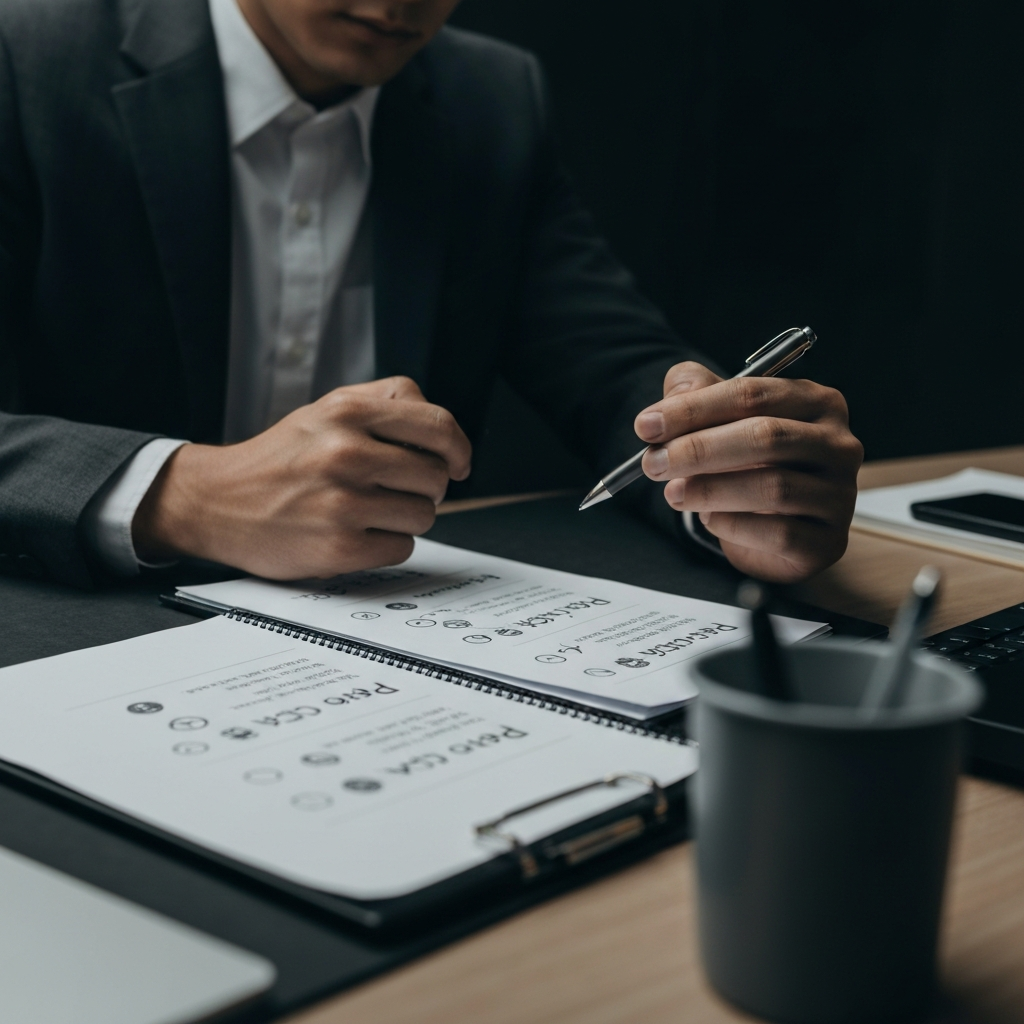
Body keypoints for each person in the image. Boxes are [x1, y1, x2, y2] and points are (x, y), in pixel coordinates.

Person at [0, 0, 863, 590]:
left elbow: (611, 363)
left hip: (382, 641)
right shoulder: (25, 56)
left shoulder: (489, 98)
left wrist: (730, 480)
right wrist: (187, 495)